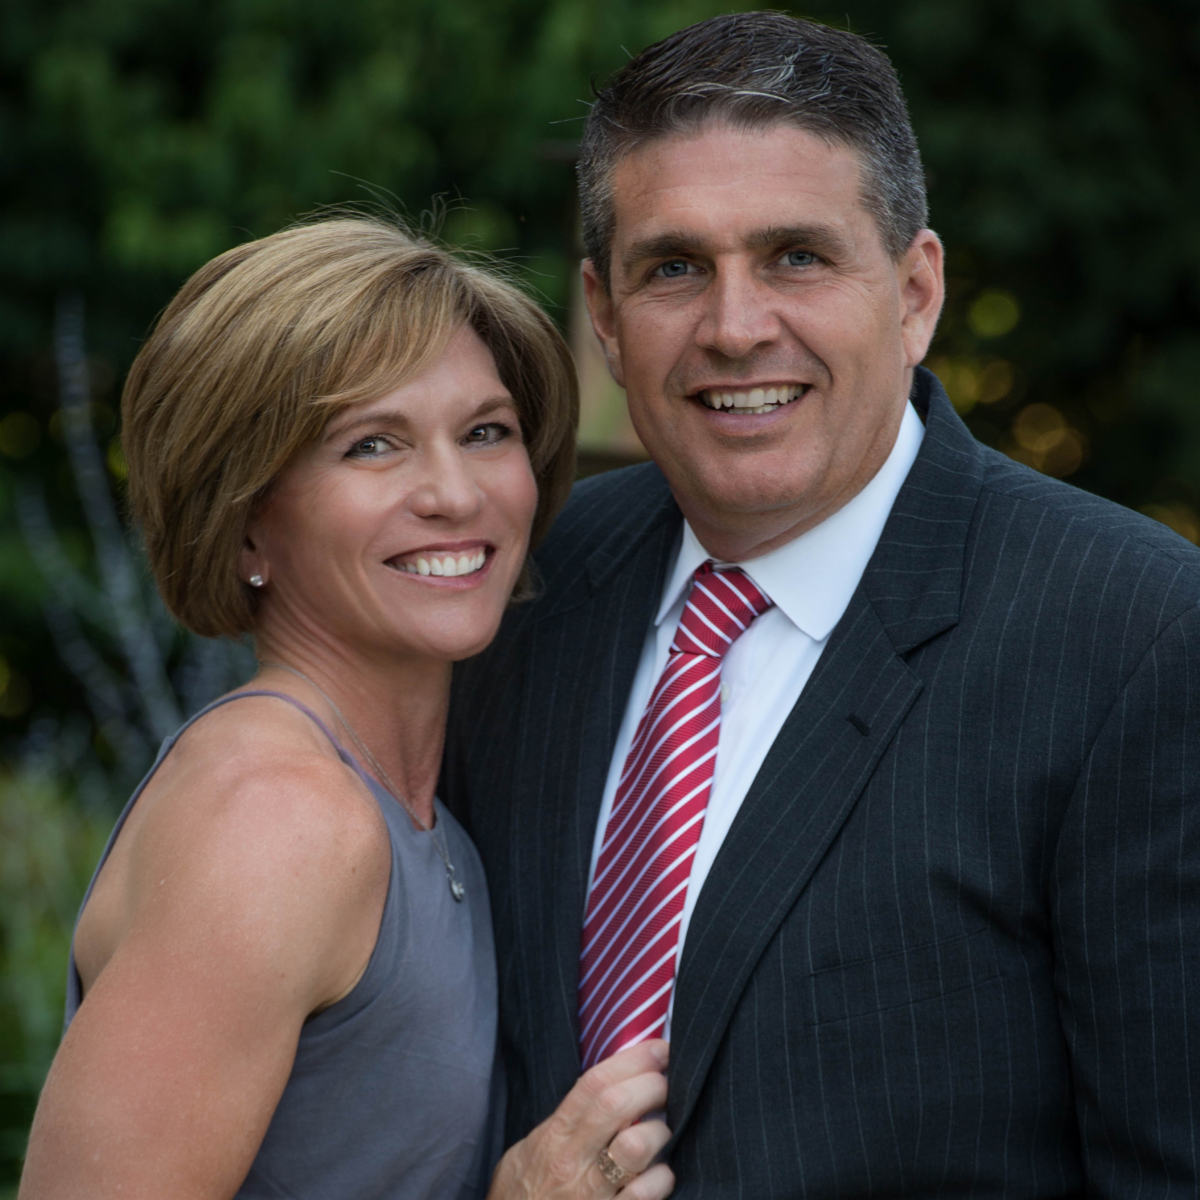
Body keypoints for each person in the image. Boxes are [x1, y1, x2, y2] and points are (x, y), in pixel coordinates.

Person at [443, 12, 1200, 1197]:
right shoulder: (530, 588)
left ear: (914, 291)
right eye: (675, 267)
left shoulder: (1135, 635)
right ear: (602, 311)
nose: (736, 327)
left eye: (797, 255)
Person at [19, 217, 675, 1200]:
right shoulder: (277, 818)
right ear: (246, 524)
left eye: (485, 432)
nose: (455, 494)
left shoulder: (412, 806)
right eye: (373, 446)